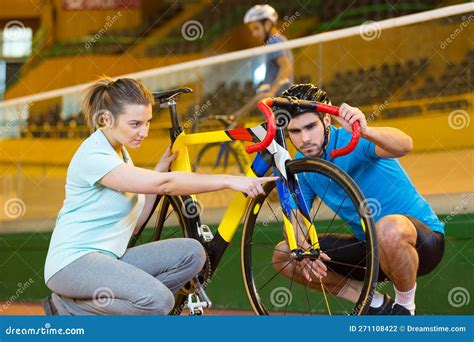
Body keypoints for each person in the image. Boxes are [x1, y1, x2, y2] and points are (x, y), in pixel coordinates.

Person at [43, 77, 277, 315]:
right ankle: (66, 307)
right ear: (106, 119)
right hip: (72, 264)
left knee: (194, 254)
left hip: (108, 260)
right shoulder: (94, 156)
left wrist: (158, 172)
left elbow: (135, 226)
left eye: (147, 123)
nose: (143, 132)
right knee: (159, 301)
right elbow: (165, 185)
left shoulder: (120, 153)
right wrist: (230, 180)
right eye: (135, 124)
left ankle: (136, 311)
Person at [272, 83, 445, 315]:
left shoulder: (351, 140)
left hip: (421, 243)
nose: (304, 139)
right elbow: (294, 218)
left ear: (326, 121)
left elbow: (405, 144)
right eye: (295, 131)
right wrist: (302, 245)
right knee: (285, 255)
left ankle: (405, 309)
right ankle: (376, 304)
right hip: (371, 249)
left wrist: (365, 131)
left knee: (388, 228)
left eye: (311, 126)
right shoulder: (303, 167)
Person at [232, 4, 294, 120]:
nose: (254, 34)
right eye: (252, 30)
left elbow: (286, 67)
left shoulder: (274, 42)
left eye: (256, 28)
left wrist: (272, 91)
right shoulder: (278, 40)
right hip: (277, 104)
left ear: (268, 24)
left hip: (279, 105)